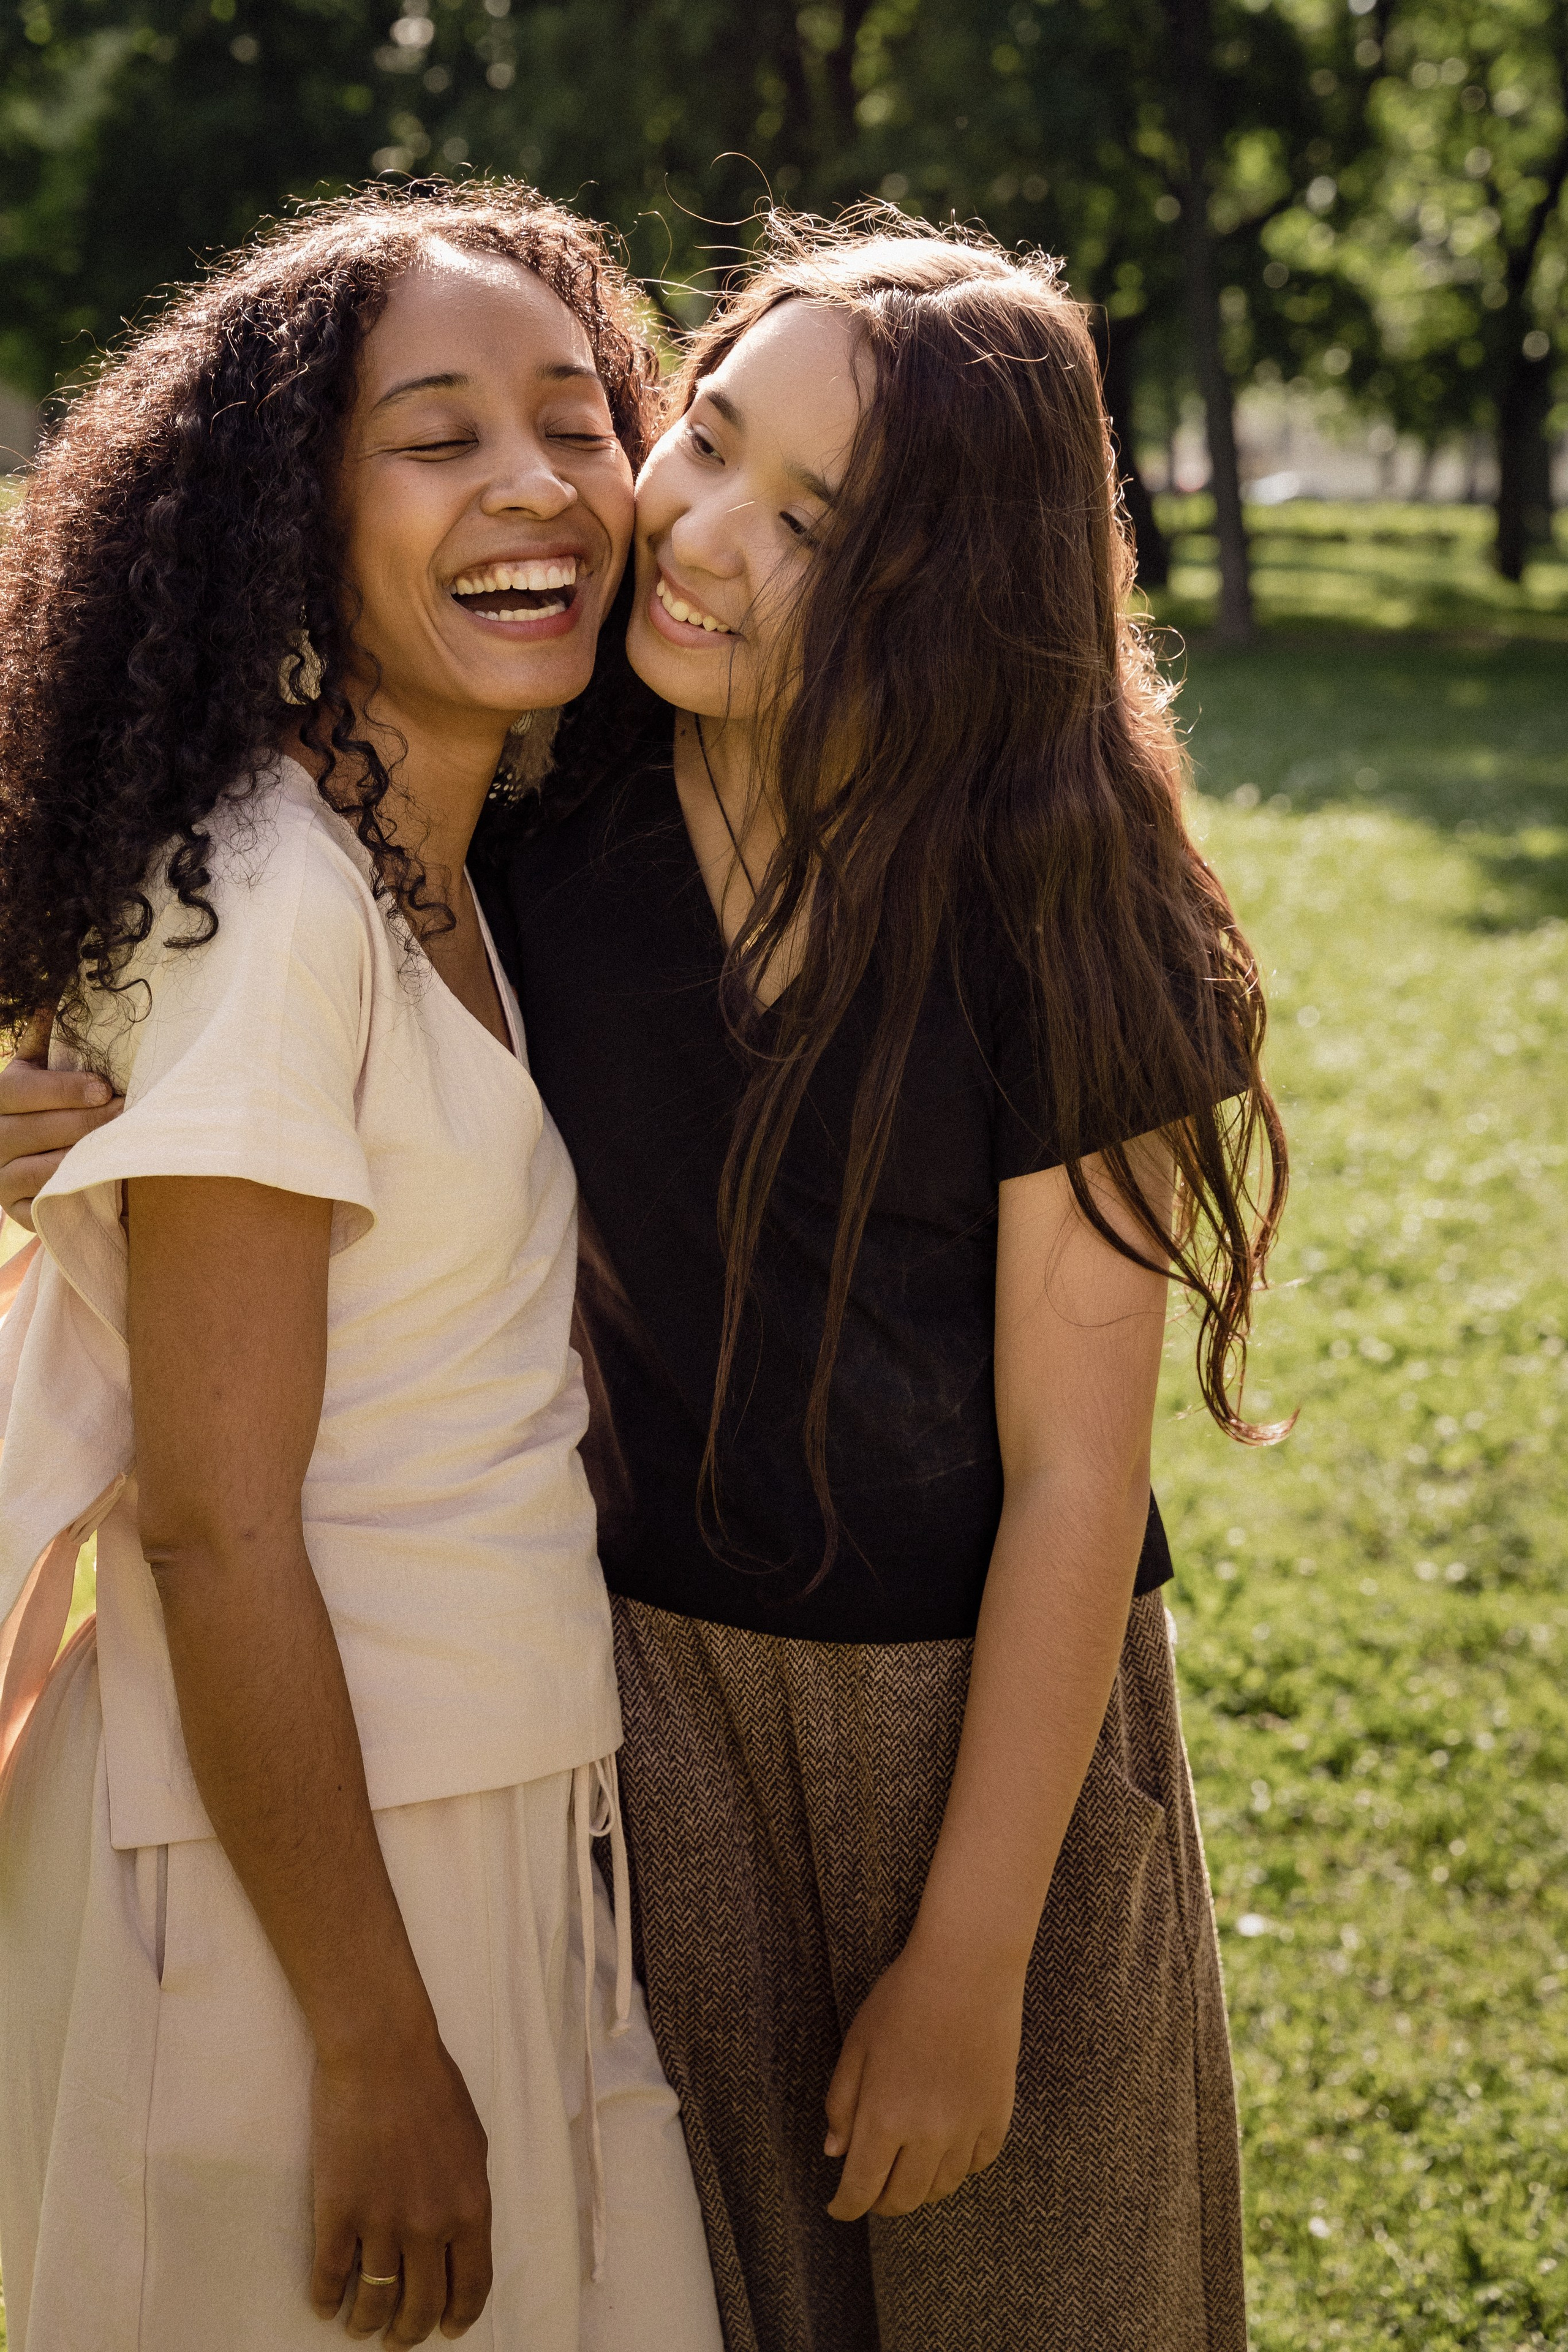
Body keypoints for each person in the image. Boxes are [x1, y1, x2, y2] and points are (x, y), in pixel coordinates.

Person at [2, 207, 1287, 2352]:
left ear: (949, 593)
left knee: (1052, 2290)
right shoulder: (548, 793)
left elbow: (1080, 1475)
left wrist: (972, 1958)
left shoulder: (1072, 903)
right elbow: (246, 955)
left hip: (984, 1726)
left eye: (813, 519)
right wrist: (52, 1093)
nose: (691, 527)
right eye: (702, 434)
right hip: (643, 1713)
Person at [0, 185, 723, 2352]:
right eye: (435, 435)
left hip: (471, 1803)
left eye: (580, 418)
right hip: (283, 1887)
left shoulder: (432, 859)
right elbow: (218, 1532)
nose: (535, 483)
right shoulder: (273, 897)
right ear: (279, 522)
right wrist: (373, 2043)